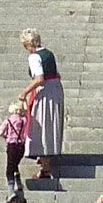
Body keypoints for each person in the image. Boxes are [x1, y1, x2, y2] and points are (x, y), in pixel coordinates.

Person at [21, 29, 66, 183]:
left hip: (45, 91)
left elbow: (39, 78)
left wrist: (25, 92)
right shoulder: (49, 53)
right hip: (55, 89)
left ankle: (45, 166)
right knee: (49, 124)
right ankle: (45, 159)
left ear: (28, 44)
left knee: (41, 126)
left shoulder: (34, 57)